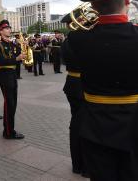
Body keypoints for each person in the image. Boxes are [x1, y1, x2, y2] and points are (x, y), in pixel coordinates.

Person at [66, 0, 138, 180]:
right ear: (127, 0)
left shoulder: (78, 39)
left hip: (95, 128)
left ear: (94, 6)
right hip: (136, 127)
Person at [60, 14, 88, 177]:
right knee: (83, 125)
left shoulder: (68, 40)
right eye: (82, 20)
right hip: (81, 86)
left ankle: (77, 164)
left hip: (73, 84)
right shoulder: (80, 39)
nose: (85, 22)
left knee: (76, 124)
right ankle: (84, 166)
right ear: (75, 23)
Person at [0, 20, 25, 139]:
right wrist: (16, 59)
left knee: (13, 103)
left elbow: (19, 55)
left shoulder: (12, 44)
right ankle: (8, 131)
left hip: (12, 75)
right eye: (6, 28)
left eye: (9, 28)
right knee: (9, 103)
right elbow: (0, 61)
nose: (9, 30)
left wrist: (23, 48)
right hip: (5, 75)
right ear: (1, 31)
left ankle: (9, 129)